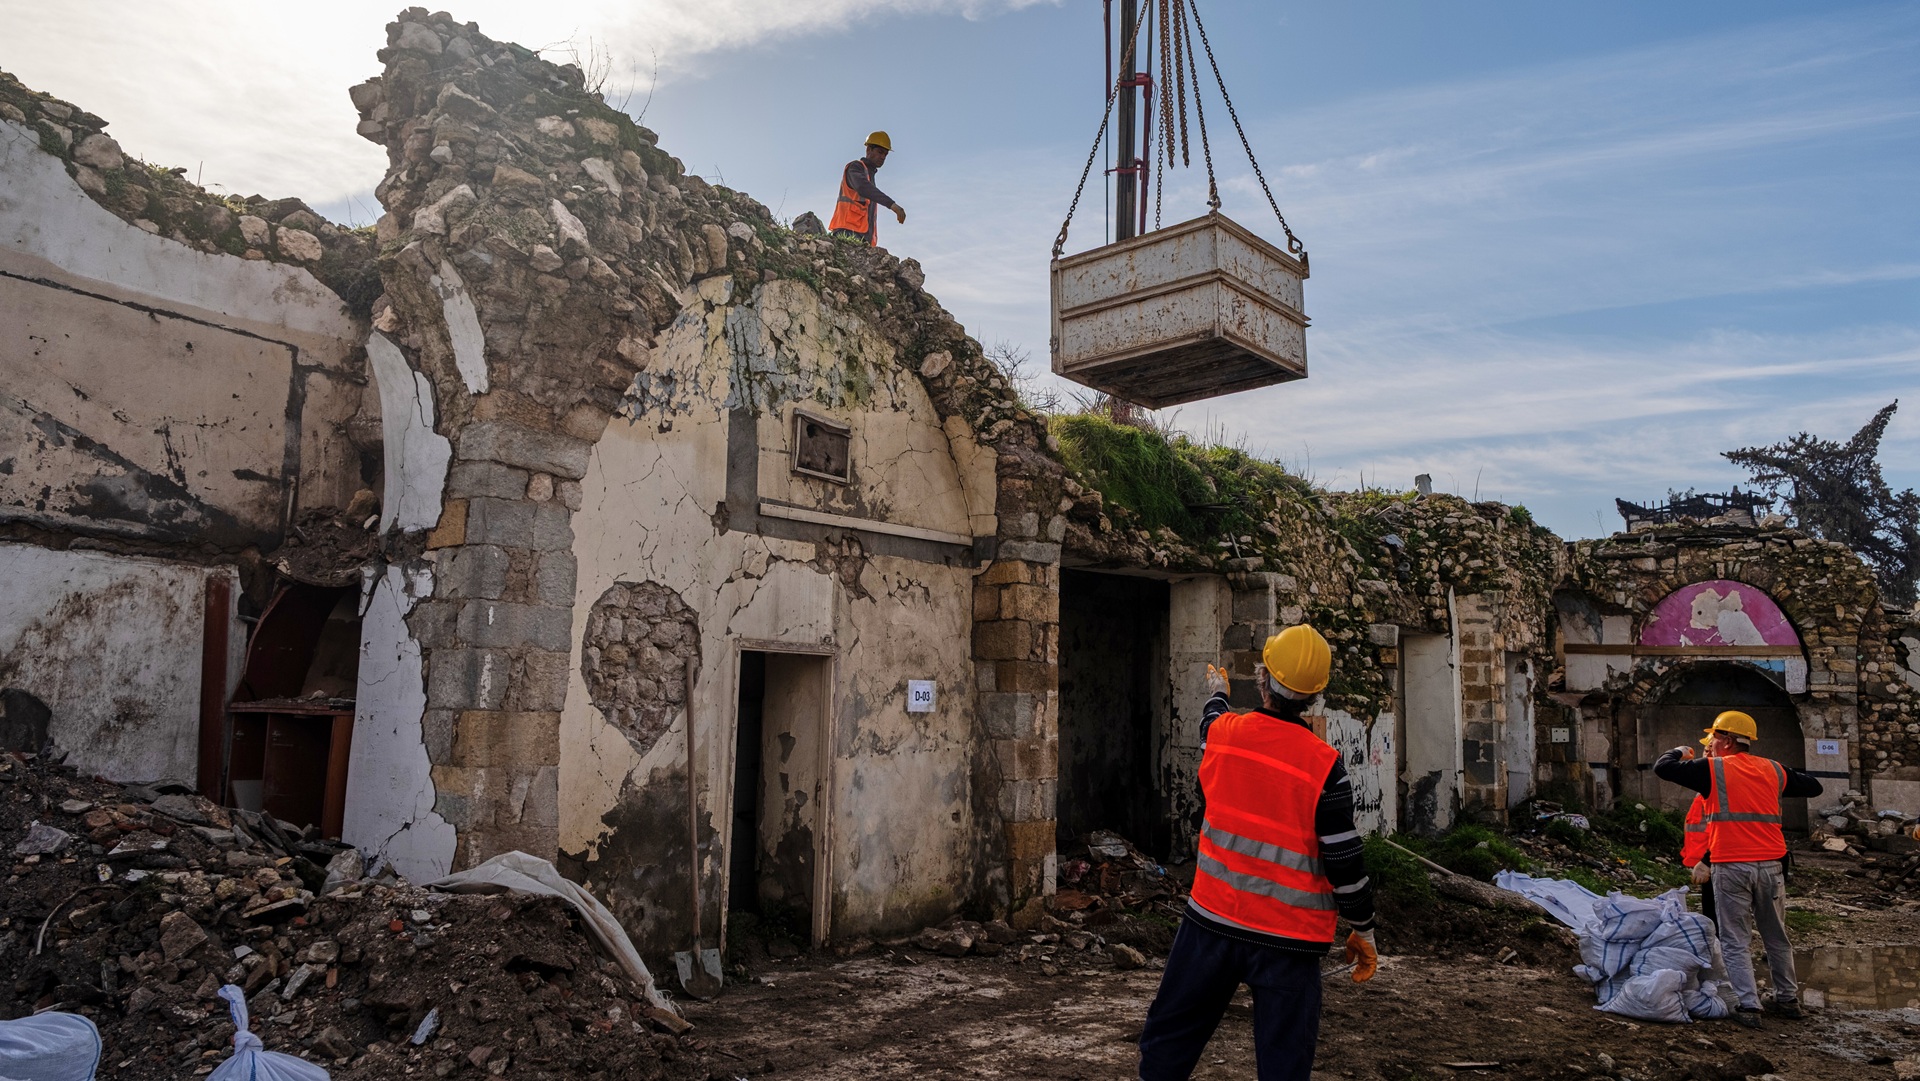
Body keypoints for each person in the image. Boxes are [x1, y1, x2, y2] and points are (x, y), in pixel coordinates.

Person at [1138, 625, 1378, 1081]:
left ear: (1263, 679)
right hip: (1290, 943)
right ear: (1315, 696)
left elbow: (1210, 724)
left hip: (1212, 925)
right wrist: (1363, 929)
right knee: (1285, 1063)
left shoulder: (1226, 736)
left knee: (1168, 1043)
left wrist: (1218, 692)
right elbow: (1345, 863)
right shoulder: (1326, 766)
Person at [1654, 710, 1822, 1028]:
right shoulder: (1773, 769)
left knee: (1734, 939)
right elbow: (1813, 787)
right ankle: (1788, 1000)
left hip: (1732, 865)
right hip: (1772, 865)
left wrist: (1680, 751)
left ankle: (1749, 1006)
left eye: (1715, 737)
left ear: (1728, 740)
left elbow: (1663, 767)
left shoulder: (1713, 769)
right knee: (1776, 936)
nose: (1711, 744)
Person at [828, 131, 906, 246]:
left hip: (862, 237)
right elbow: (862, 187)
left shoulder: (870, 176)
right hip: (847, 231)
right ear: (868, 150)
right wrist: (892, 205)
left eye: (885, 154)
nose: (883, 157)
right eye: (880, 152)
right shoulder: (855, 167)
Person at [1680, 734, 1715, 924]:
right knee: (1711, 908)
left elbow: (1720, 827)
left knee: (1716, 912)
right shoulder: (1706, 780)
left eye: (1711, 746)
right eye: (1705, 748)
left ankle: (1719, 948)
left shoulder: (1718, 781)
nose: (1707, 751)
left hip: (1714, 858)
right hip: (1706, 857)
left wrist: (1707, 861)